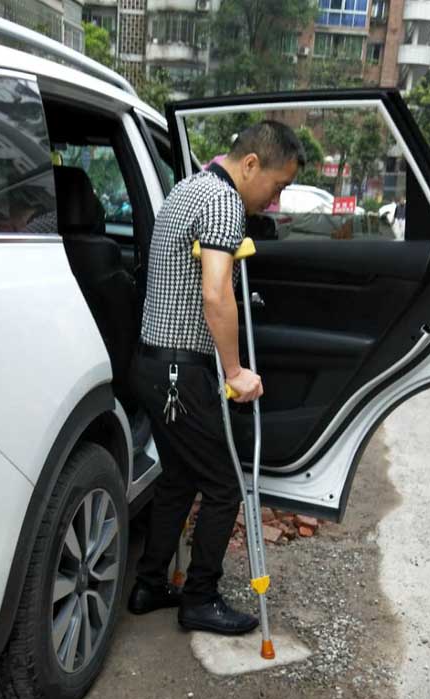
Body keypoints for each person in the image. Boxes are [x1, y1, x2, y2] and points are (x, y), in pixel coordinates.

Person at [127, 121, 304, 635]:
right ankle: (200, 598)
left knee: (179, 478)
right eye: (277, 185)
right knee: (225, 485)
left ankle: (149, 584)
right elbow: (216, 292)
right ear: (250, 164)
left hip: (150, 364)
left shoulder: (187, 187)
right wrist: (235, 371)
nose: (274, 200)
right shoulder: (225, 203)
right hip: (181, 371)